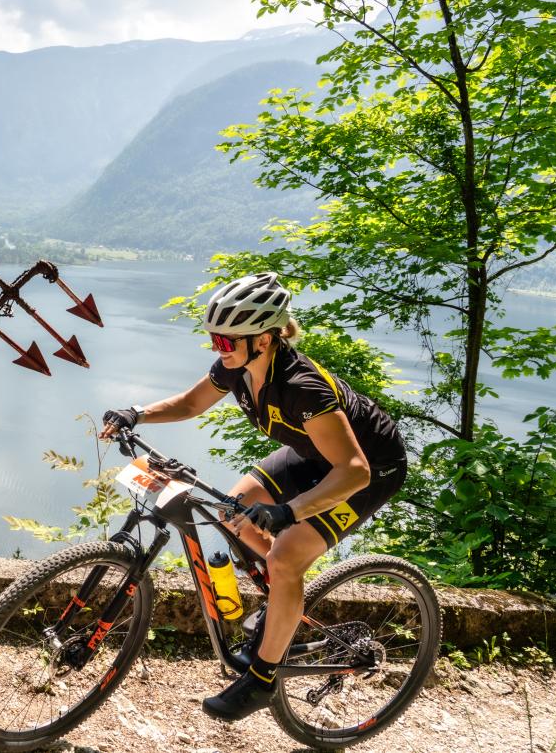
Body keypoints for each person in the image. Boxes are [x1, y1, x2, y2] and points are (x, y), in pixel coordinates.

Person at [100, 271, 406, 722]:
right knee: (230, 511)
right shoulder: (236, 368)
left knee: (285, 557)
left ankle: (262, 679)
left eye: (226, 342)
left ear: (263, 340)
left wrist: (290, 511)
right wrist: (135, 414)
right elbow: (189, 403)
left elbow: (353, 470)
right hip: (313, 451)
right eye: (213, 339)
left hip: (368, 469)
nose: (216, 349)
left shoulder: (302, 387)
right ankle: (282, 601)